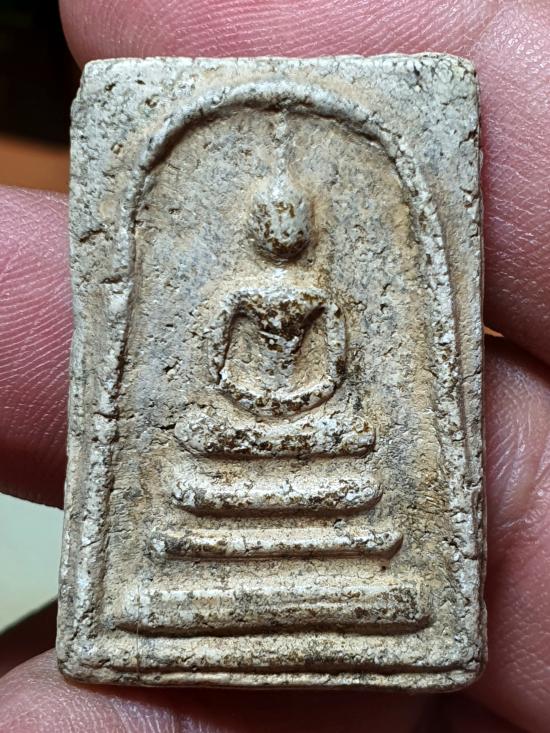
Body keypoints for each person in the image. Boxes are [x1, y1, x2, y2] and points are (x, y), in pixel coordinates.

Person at [1, 1, 549, 730]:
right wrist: (250, 400)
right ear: (260, 227)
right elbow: (217, 360)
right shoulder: (239, 294)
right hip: (244, 413)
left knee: (354, 452)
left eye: (294, 221)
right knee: (198, 449)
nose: (284, 232)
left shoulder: (320, 292)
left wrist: (307, 401)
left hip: (314, 416)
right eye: (274, 221)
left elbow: (339, 365)